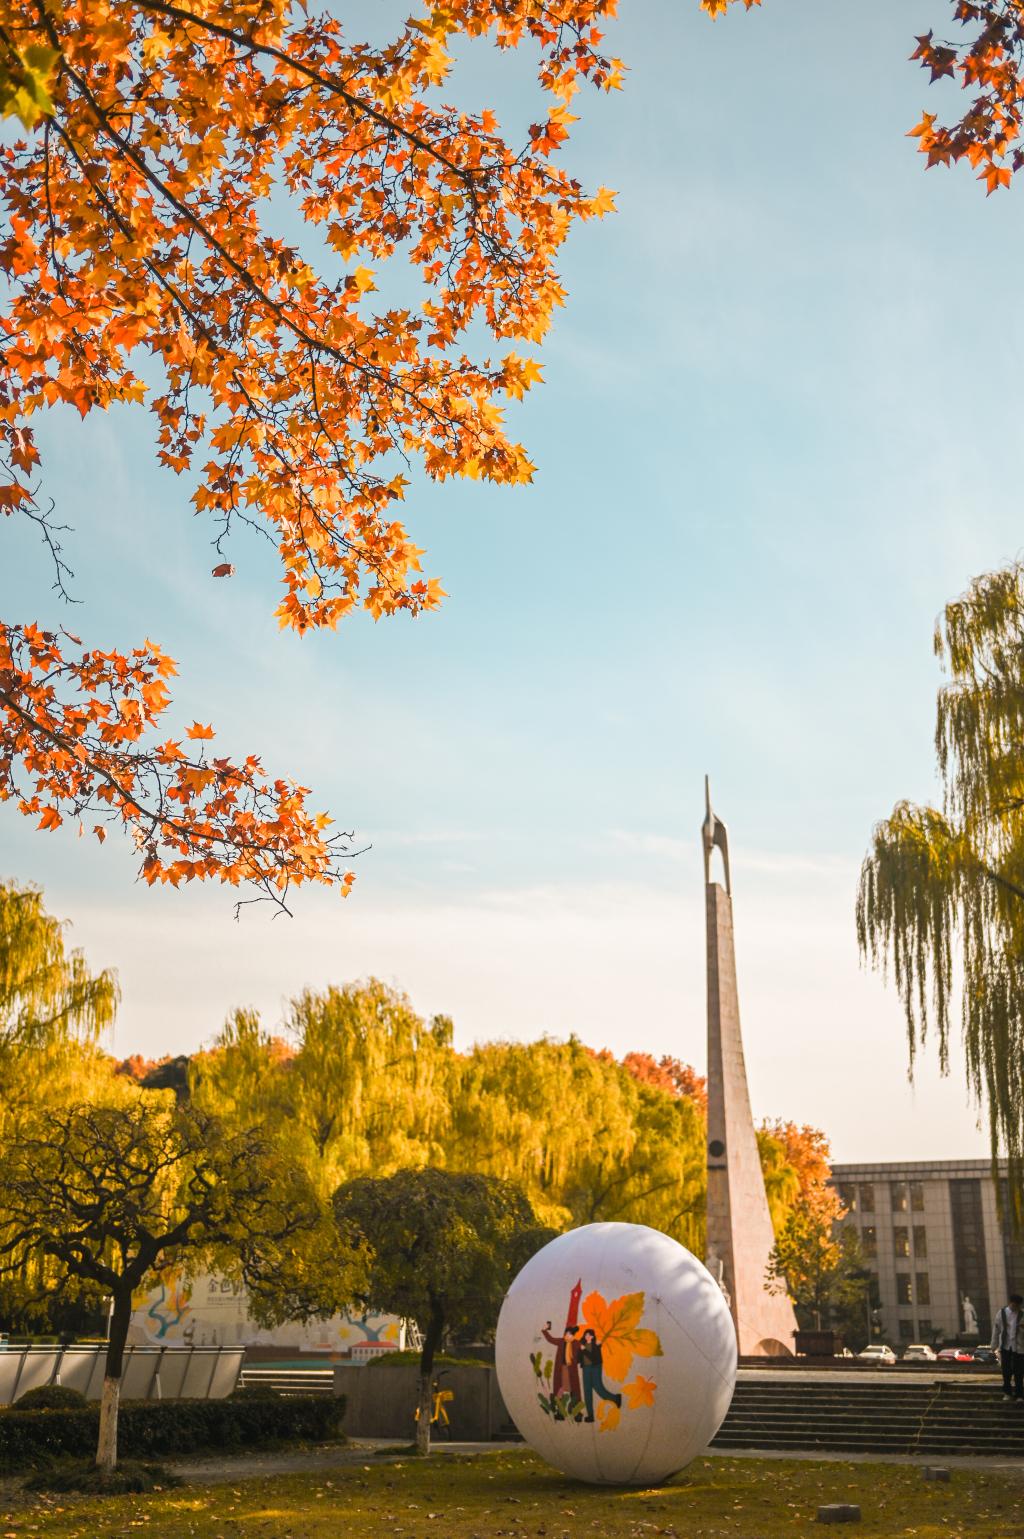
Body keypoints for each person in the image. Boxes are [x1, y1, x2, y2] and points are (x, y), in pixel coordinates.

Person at [578, 1327, 622, 1423]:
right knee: (587, 1390)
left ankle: (615, 1398)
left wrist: (584, 1350)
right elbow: (579, 1358)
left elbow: (592, 1357)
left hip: (595, 1367)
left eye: (589, 1335)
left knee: (598, 1387)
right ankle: (590, 1415)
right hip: (586, 1368)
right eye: (586, 1335)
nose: (587, 1336)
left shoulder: (596, 1345)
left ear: (592, 1336)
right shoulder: (582, 1345)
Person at [990, 1291, 1024, 1402]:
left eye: (1018, 1306)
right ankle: (1007, 1393)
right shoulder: (1001, 1313)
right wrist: (994, 1344)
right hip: (1005, 1346)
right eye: (1015, 1305)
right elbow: (996, 1330)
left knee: (1019, 1372)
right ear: (1011, 1303)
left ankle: (1019, 1395)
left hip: (1019, 1347)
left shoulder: (1022, 1314)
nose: (1016, 1308)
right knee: (1006, 1371)